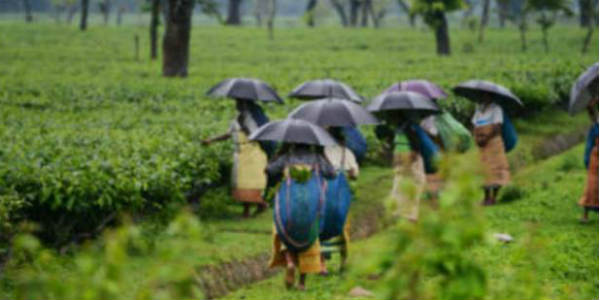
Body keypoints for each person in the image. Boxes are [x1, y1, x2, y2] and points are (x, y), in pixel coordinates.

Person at [267, 144, 335, 290]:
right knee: (310, 235)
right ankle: (302, 283)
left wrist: (276, 157)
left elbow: (269, 170)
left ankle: (290, 262)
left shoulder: (287, 157)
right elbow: (332, 174)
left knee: (283, 228)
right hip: (311, 203)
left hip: (289, 201)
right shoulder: (317, 158)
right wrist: (323, 155)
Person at [202, 100, 269, 217]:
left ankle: (252, 209)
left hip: (252, 152)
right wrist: (211, 140)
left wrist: (245, 128)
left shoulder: (250, 119)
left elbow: (257, 135)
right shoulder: (236, 118)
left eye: (239, 103)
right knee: (241, 183)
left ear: (245, 104)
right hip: (240, 153)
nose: (237, 105)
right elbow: (228, 134)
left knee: (249, 183)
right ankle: (259, 206)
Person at [319, 128, 359, 274]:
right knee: (343, 226)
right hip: (342, 194)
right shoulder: (346, 152)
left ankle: (322, 265)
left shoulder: (321, 152)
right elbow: (355, 174)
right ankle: (344, 261)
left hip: (325, 193)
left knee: (322, 226)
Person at [472, 97, 510, 206]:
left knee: (496, 169)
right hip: (481, 144)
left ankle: (494, 197)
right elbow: (474, 125)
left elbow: (497, 127)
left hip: (493, 143)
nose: (482, 98)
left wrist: (485, 138)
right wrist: (477, 138)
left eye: (485, 95)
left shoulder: (496, 109)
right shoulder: (478, 110)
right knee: (485, 170)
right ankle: (486, 197)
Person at [389, 116, 427, 221]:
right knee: (401, 193)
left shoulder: (409, 129)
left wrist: (405, 161)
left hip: (410, 165)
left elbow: (415, 150)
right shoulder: (401, 129)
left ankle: (409, 220)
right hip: (404, 165)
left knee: (409, 192)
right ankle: (406, 219)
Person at [579, 97, 598, 223]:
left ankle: (586, 214)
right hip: (595, 157)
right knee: (591, 185)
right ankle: (585, 213)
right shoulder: (596, 124)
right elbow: (593, 115)